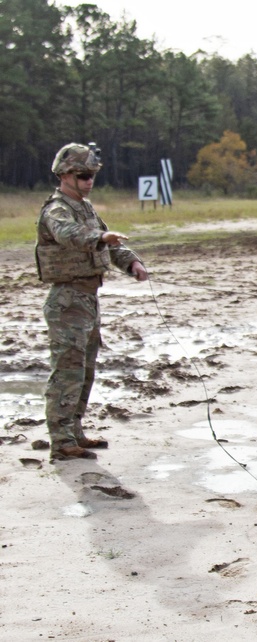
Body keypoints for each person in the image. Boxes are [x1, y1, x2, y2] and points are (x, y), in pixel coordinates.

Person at [35, 142, 148, 461]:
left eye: (92, 176)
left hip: (87, 298)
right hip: (67, 299)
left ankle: (75, 431)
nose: (89, 181)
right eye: (83, 175)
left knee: (85, 368)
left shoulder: (86, 208)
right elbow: (67, 233)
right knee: (67, 368)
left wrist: (132, 264)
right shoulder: (58, 208)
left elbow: (110, 244)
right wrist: (97, 238)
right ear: (65, 175)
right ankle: (61, 438)